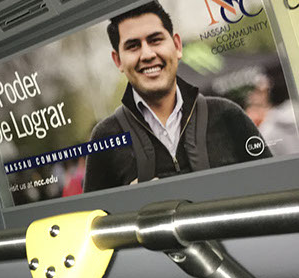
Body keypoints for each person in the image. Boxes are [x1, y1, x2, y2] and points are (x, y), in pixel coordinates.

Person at [83, 1, 271, 192]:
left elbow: (272, 188)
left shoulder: (228, 115)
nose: (147, 54)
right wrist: (128, 203)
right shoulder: (104, 138)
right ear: (118, 61)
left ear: (177, 45)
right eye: (133, 46)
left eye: (155, 40)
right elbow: (94, 211)